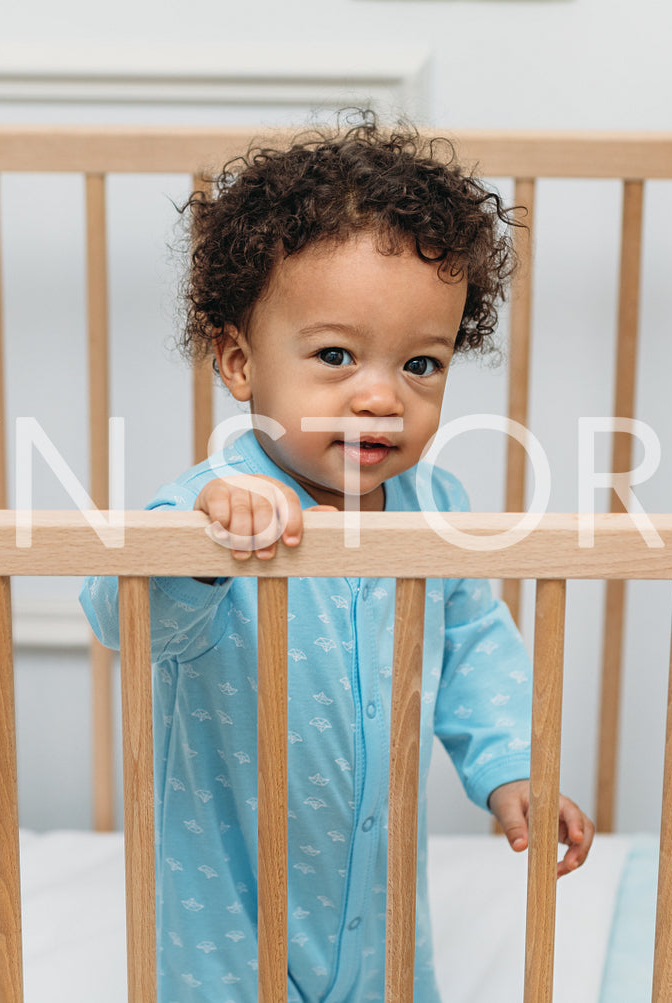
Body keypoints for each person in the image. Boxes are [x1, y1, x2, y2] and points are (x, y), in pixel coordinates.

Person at [79, 110, 595, 1003]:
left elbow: (473, 644)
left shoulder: (435, 510)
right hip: (224, 901)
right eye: (334, 355)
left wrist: (513, 765)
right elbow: (121, 612)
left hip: (377, 882)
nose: (379, 395)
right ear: (239, 361)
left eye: (421, 365)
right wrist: (205, 538)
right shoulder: (210, 502)